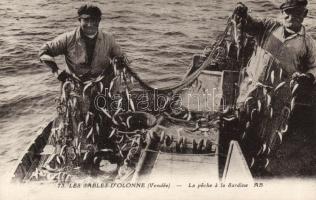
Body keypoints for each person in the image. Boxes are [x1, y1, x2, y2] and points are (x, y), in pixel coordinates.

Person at [232, 0, 316, 177]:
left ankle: (260, 170)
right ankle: (237, 162)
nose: (291, 16)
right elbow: (249, 26)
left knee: (269, 135)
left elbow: (314, 66)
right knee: (243, 124)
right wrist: (242, 15)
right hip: (253, 89)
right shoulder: (268, 26)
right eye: (288, 12)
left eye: (297, 13)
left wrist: (308, 76)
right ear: (282, 12)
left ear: (304, 15)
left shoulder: (308, 42)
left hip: (280, 96)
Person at [39, 4, 124, 82]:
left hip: (102, 85)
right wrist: (56, 70)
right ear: (79, 20)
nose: (90, 24)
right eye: (86, 20)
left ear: (99, 20)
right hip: (74, 86)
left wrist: (118, 65)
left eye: (94, 20)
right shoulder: (68, 38)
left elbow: (120, 58)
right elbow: (44, 51)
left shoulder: (109, 39)